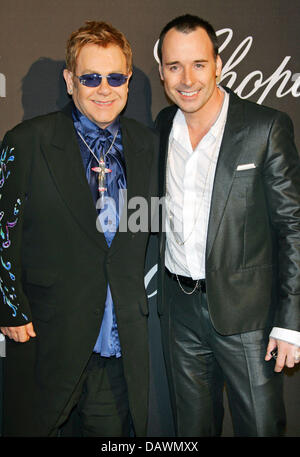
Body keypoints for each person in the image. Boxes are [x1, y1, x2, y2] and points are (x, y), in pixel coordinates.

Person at [0, 20, 157, 437]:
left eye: (115, 77)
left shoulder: (148, 146)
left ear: (128, 81)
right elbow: (3, 228)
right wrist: (9, 307)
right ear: (70, 81)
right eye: (90, 77)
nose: (104, 89)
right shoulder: (28, 140)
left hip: (117, 342)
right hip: (48, 338)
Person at [155, 14, 300, 437]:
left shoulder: (265, 127)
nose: (186, 79)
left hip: (249, 318)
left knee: (260, 428)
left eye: (198, 64)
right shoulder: (164, 127)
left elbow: (293, 225)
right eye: (173, 66)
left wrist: (290, 321)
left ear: (218, 64)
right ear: (161, 70)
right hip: (180, 312)